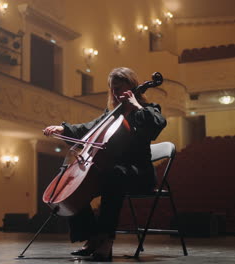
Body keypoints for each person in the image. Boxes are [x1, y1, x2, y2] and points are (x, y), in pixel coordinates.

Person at [43, 67, 167, 261]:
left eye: (120, 88)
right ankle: (92, 237)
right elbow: (87, 129)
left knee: (113, 176)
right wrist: (63, 128)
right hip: (113, 172)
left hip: (139, 173)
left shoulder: (148, 110)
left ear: (132, 88)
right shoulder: (111, 116)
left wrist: (136, 105)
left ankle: (106, 239)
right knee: (76, 186)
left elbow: (156, 125)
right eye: (113, 89)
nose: (117, 94)